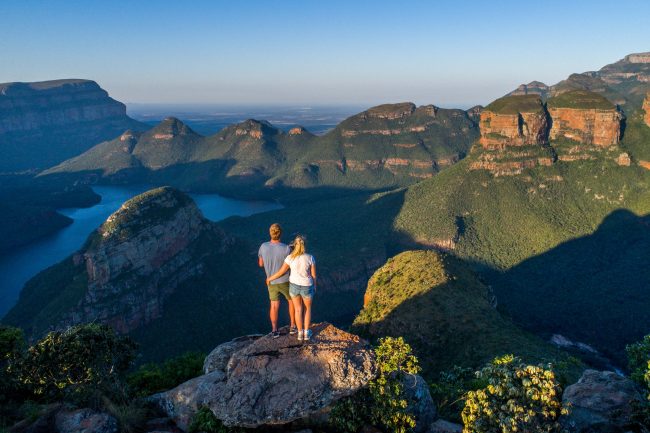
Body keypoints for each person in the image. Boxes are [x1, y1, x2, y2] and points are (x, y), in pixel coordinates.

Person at [267, 235, 316, 341]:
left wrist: (270, 278)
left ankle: (299, 333)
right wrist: (315, 286)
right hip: (307, 285)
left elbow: (281, 272)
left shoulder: (290, 258)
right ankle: (306, 333)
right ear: (304, 246)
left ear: (295, 245)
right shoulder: (310, 257)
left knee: (298, 310)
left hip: (294, 286)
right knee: (307, 309)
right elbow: (314, 275)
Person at [258, 223, 296, 338]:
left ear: (270, 233)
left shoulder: (263, 246)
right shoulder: (286, 248)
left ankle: (274, 330)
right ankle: (293, 326)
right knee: (291, 302)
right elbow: (291, 265)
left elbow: (260, 264)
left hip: (271, 282)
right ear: (280, 234)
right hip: (285, 281)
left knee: (274, 306)